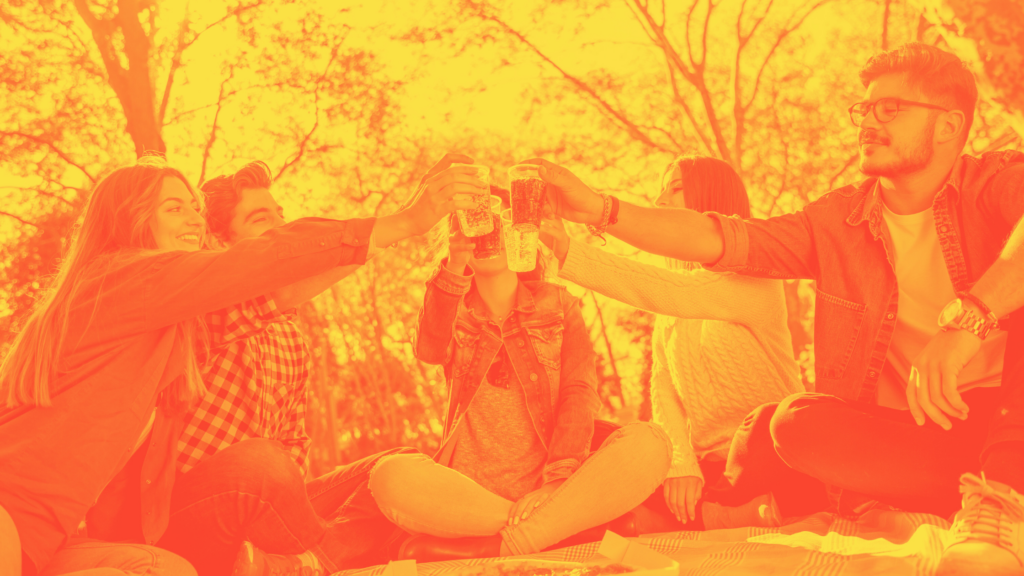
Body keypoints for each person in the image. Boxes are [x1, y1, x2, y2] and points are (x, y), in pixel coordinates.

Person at [533, 42, 1024, 574]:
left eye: (890, 109)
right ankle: (950, 493)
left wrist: (970, 320)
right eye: (864, 109)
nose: (866, 123)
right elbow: (721, 237)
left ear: (949, 126)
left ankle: (998, 499)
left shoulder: (993, 182)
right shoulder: (839, 221)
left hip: (1008, 421)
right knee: (791, 423)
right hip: (920, 440)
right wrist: (597, 208)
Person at [0, 156, 479, 576]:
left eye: (194, 206)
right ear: (128, 220)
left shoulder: (166, 321)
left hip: (60, 540)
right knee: (260, 466)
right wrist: (407, 221)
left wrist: (396, 239)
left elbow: (277, 292)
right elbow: (261, 265)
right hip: (16, 523)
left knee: (176, 566)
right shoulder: (122, 278)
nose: (194, 218)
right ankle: (326, 557)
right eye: (174, 207)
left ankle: (318, 554)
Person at [367, 185, 672, 561]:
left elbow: (579, 393)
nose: (488, 235)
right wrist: (454, 265)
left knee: (651, 441)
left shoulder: (559, 306)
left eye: (500, 225)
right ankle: (557, 531)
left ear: (519, 234)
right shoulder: (453, 309)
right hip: (470, 500)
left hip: (550, 488)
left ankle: (511, 542)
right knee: (388, 474)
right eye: (478, 226)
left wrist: (556, 482)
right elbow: (428, 348)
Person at [539, 156, 805, 531]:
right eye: (661, 190)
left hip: (762, 459)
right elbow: (663, 389)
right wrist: (680, 463)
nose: (661, 200)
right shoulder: (670, 308)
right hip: (706, 469)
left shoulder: (757, 279)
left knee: (768, 424)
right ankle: (711, 515)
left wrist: (569, 251)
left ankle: (692, 516)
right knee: (599, 438)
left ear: (712, 199)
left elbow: (670, 291)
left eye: (676, 188)